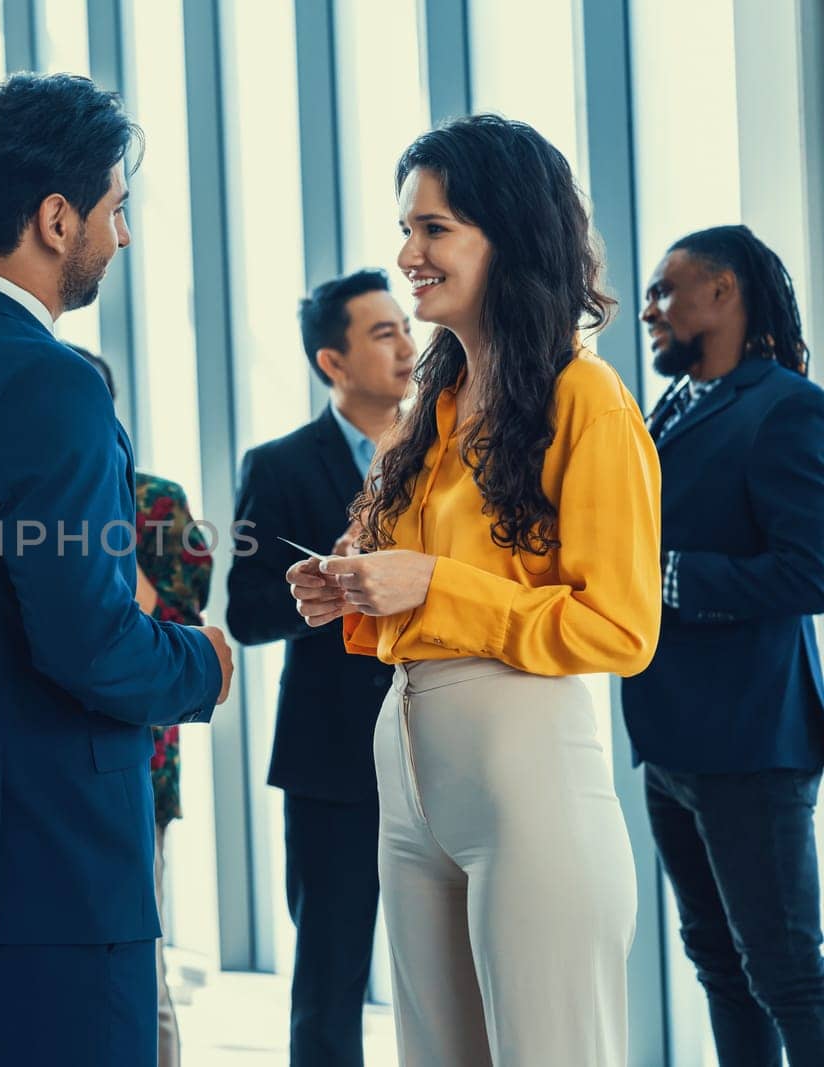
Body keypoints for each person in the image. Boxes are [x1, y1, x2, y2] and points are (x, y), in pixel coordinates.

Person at [0, 73, 234, 1066]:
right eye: (117, 210)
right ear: (58, 219)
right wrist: (203, 663)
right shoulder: (48, 381)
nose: (123, 236)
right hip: (47, 876)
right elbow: (88, 640)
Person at [289, 115, 661, 1066]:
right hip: (409, 766)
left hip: (524, 766)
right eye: (406, 227)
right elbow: (425, 587)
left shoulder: (587, 398)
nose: (408, 252)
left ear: (511, 234)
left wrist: (432, 583)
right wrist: (353, 587)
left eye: (435, 228)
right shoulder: (433, 411)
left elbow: (621, 626)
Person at [624, 225, 824, 1064]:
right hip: (669, 738)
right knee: (716, 962)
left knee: (785, 972)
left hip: (750, 740)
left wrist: (658, 576)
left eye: (666, 291)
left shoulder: (785, 406)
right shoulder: (669, 407)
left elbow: (808, 570)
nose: (649, 309)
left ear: (724, 292)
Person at [227, 268, 413, 1066]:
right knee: (330, 984)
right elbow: (243, 609)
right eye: (383, 333)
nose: (408, 345)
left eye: (406, 326)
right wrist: (324, 588)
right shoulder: (278, 466)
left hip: (439, 747)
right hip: (330, 764)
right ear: (332, 362)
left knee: (453, 974)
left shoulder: (451, 451)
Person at [75, 343, 207, 1067]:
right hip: (51, 763)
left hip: (140, 763)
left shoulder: (157, 501)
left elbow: (188, 633)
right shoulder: (29, 494)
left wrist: (102, 542)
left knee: (138, 966)